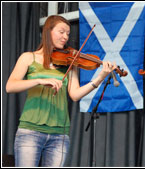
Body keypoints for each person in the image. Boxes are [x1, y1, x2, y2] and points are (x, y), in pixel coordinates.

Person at [6, 15, 116, 167]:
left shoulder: (70, 62)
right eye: (61, 32)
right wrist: (40, 81)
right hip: (30, 130)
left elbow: (75, 95)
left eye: (68, 34)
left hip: (59, 134)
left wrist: (100, 77)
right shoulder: (28, 57)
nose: (65, 37)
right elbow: (10, 86)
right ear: (48, 31)